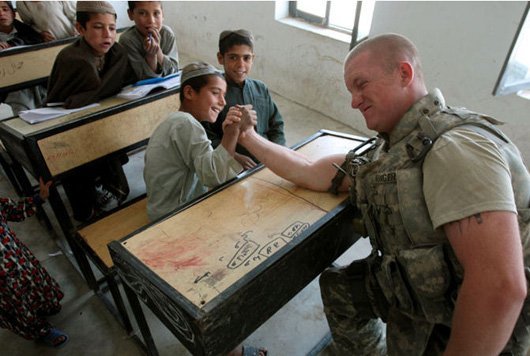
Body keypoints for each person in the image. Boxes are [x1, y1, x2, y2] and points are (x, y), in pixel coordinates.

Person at [236, 33, 530, 355]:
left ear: (404, 74)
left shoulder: (453, 150)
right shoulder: (395, 149)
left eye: (361, 84)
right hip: (424, 288)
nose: (353, 100)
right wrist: (249, 138)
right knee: (341, 290)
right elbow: (310, 170)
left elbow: (499, 287)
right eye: (350, 90)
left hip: (474, 318)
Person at [46, 1, 135, 222]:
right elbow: (63, 102)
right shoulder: (72, 59)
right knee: (82, 186)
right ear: (80, 28)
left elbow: (125, 82)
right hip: (71, 130)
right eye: (98, 27)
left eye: (112, 28)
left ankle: (102, 190)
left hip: (102, 122)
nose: (107, 34)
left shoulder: (117, 53)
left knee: (117, 184)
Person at [144, 61, 255, 222]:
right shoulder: (185, 124)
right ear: (189, 92)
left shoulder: (179, 121)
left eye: (224, 95)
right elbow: (213, 176)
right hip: (173, 217)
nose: (223, 102)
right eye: (216, 93)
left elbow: (209, 167)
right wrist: (231, 134)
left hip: (163, 210)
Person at [201, 29, 285, 171]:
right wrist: (234, 156)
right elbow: (207, 138)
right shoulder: (213, 95)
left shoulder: (260, 88)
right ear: (221, 58)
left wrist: (278, 153)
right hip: (233, 169)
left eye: (246, 58)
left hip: (267, 164)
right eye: (233, 57)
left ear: (253, 58)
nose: (241, 65)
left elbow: (276, 126)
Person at [0, 177, 69, 348]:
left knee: (34, 283)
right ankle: (41, 330)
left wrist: (39, 198)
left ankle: (45, 306)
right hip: (2, 282)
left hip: (18, 260)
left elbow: (12, 209)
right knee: (17, 303)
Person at [0, 1, 46, 116]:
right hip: (11, 85)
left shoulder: (26, 31)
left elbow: (36, 42)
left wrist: (12, 44)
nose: (1, 13)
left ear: (13, 14)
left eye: (5, 9)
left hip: (35, 79)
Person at [119, 1, 179, 80]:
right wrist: (151, 56)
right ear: (130, 14)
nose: (151, 21)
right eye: (142, 13)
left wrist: (158, 52)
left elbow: (174, 71)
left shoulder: (167, 34)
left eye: (156, 13)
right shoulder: (127, 40)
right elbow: (145, 79)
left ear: (163, 14)